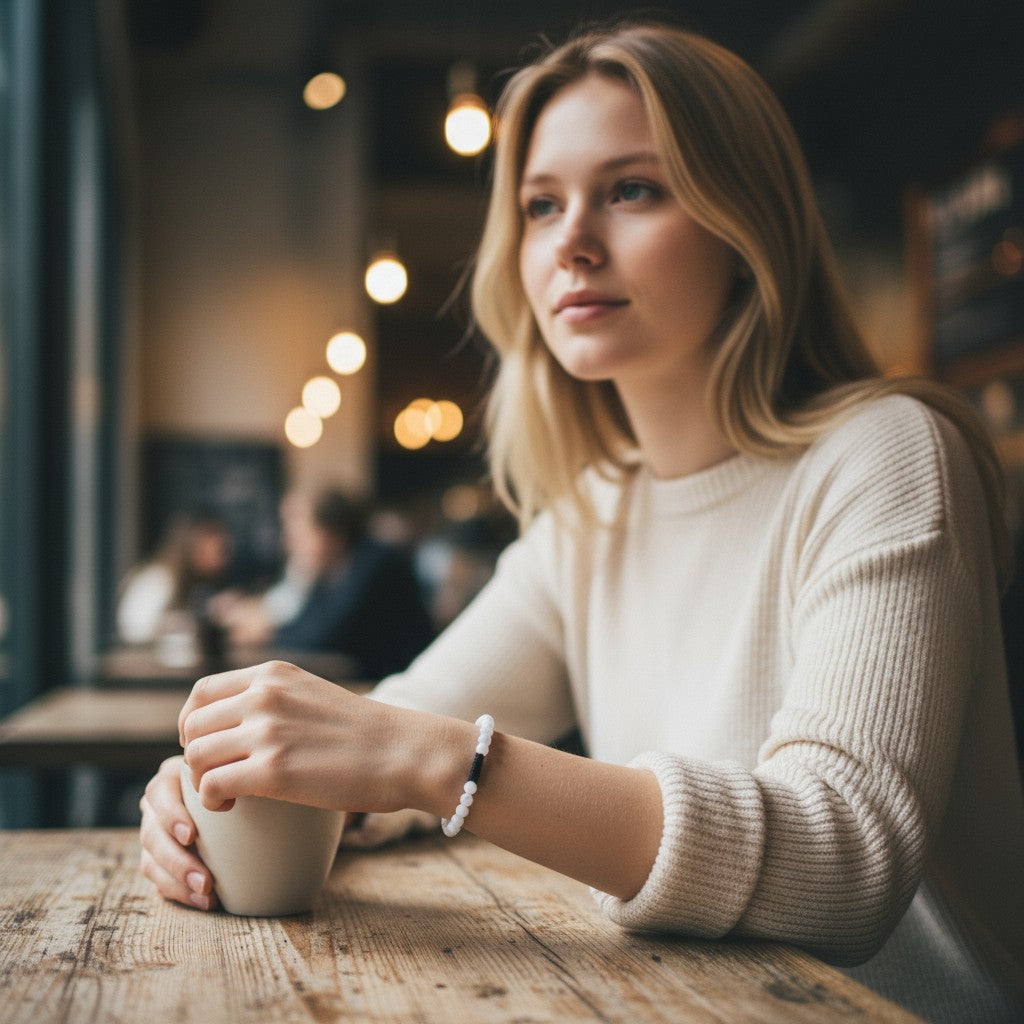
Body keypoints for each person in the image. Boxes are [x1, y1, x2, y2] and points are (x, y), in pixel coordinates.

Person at [138, 22, 1024, 1023]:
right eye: (540, 205)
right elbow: (388, 739)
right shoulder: (590, 516)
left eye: (632, 188)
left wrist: (434, 761)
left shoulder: (887, 454)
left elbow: (842, 855)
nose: (572, 241)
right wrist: (233, 777)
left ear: (747, 224)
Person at [215, 487, 436, 678]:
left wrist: (265, 634)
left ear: (334, 535)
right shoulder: (333, 570)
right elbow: (304, 625)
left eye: (300, 529)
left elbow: (321, 639)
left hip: (405, 700)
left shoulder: (377, 564)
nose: (289, 541)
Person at [116, 510, 232, 645]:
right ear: (194, 547)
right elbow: (134, 631)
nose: (224, 559)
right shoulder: (157, 578)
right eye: (220, 550)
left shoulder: (197, 586)